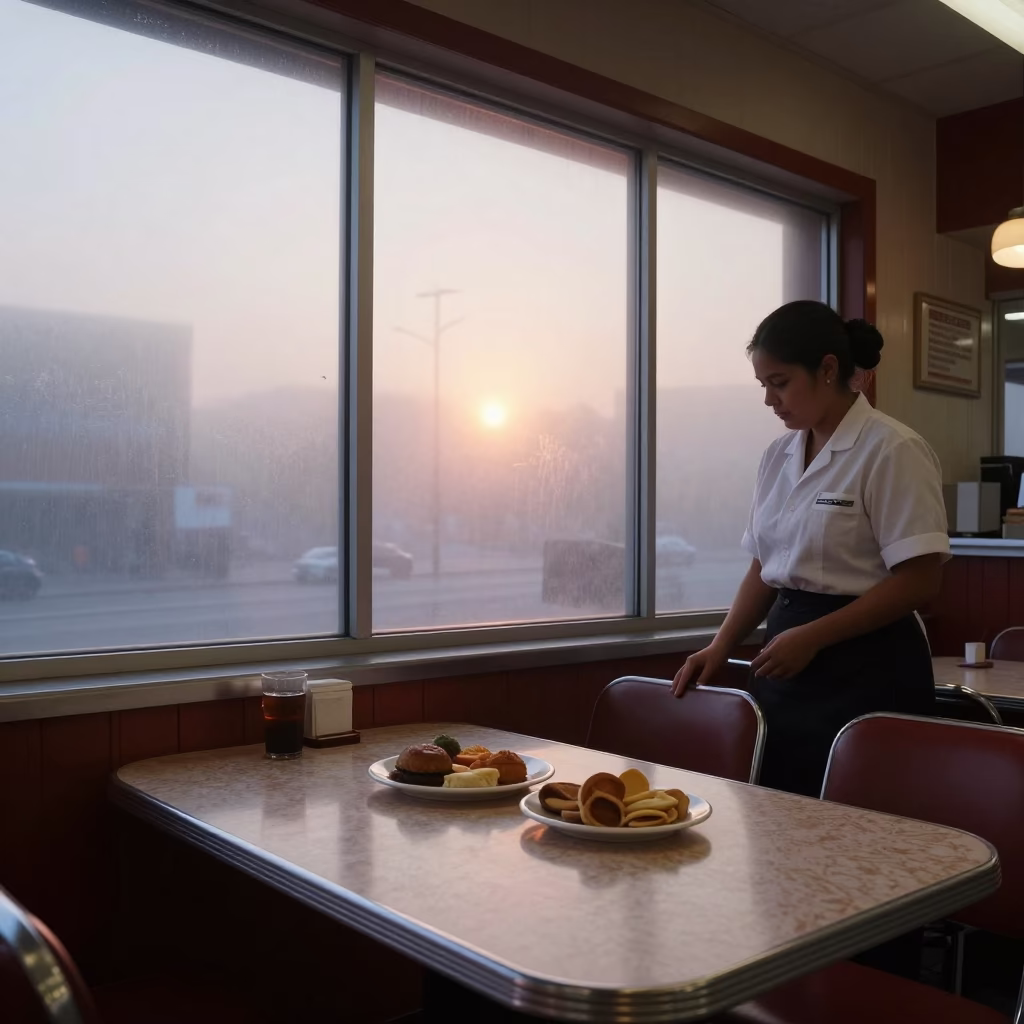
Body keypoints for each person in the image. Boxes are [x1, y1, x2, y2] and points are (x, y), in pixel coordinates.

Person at [672, 300, 949, 798]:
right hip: (787, 658)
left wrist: (815, 636)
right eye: (763, 387)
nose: (769, 401)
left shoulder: (892, 449)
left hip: (870, 660)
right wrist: (721, 645)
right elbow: (765, 567)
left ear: (827, 369)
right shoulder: (777, 455)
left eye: (780, 383)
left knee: (865, 824)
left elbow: (920, 580)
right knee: (780, 810)